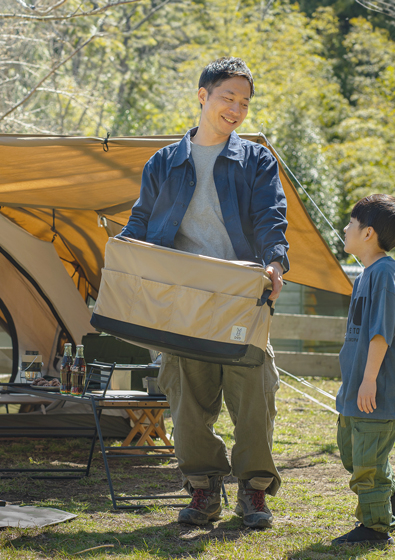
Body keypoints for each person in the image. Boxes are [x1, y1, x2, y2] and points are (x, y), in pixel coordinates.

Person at [119, 57, 288, 529]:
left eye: (244, 102)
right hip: (181, 301)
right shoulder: (164, 163)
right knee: (186, 402)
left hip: (241, 297)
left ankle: (253, 493)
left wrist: (275, 260)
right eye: (227, 98)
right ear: (202, 96)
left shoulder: (256, 160)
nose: (236, 109)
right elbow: (140, 222)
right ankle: (202, 489)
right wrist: (123, 256)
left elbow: (271, 218)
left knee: (255, 397)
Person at [331, 194, 395, 546]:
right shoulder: (365, 275)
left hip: (373, 391)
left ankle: (375, 528)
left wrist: (368, 381)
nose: (345, 229)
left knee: (367, 462)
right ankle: (392, 491)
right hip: (355, 390)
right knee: (354, 454)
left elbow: (381, 334)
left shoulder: (385, 275)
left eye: (350, 224)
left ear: (367, 234)